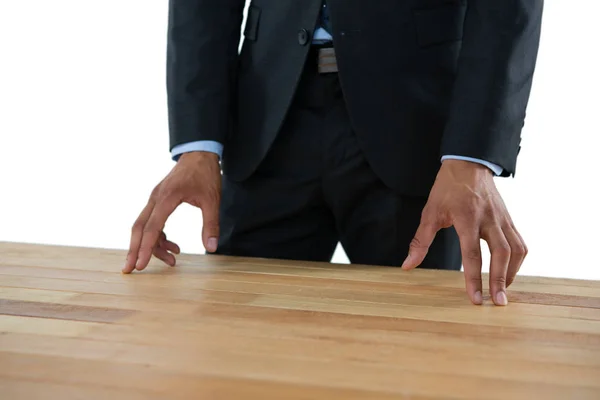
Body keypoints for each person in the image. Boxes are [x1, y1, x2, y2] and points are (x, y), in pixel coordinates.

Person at [123, 0, 544, 307]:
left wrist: (473, 153)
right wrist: (198, 145)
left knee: (416, 358)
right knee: (239, 351)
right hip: (266, 125)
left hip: (416, 128)